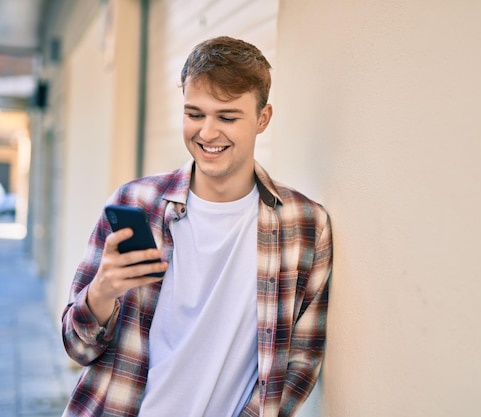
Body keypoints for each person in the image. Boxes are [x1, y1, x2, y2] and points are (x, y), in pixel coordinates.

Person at [61, 36, 333, 417]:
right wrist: (102, 292)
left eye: (227, 117)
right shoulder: (135, 203)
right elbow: (78, 348)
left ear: (262, 118)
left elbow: (300, 364)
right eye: (194, 114)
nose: (207, 133)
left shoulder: (305, 225)